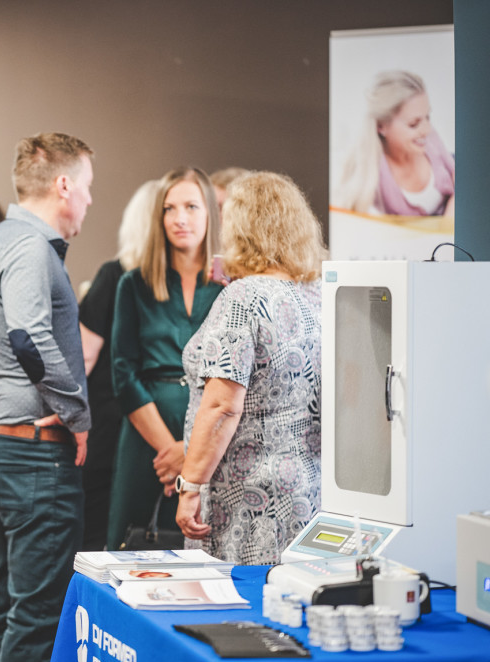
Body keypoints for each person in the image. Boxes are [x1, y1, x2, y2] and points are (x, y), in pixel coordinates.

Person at [0, 132, 94, 662]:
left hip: (2, 449)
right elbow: (28, 337)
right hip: (33, 458)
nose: (90, 200)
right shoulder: (28, 247)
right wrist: (78, 414)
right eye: (87, 187)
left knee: (6, 607)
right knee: (38, 616)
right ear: (63, 185)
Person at [176, 171, 325, 565]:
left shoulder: (244, 298)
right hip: (307, 491)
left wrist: (190, 483)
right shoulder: (319, 296)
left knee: (235, 618)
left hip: (246, 499)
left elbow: (223, 405)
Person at [107, 168, 223, 551]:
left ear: (210, 213)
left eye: (191, 206)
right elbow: (123, 373)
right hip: (146, 435)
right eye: (169, 208)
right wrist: (169, 450)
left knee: (207, 544)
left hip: (211, 432)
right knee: (129, 547)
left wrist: (189, 452)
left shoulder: (231, 286)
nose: (180, 218)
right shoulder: (134, 284)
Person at [78, 179, 160, 551]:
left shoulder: (114, 276)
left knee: (100, 535)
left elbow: (81, 356)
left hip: (110, 424)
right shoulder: (137, 282)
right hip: (148, 427)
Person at [335, 70, 455, 217]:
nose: (427, 130)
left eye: (427, 117)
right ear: (381, 126)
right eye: (413, 124)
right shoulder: (370, 182)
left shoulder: (430, 140)